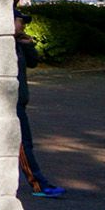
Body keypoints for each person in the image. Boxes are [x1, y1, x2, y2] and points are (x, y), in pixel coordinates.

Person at [15, 12, 63, 197]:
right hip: (11, 104)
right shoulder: (3, 46)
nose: (23, 26)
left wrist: (28, 45)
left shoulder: (18, 44)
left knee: (23, 143)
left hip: (19, 102)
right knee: (22, 144)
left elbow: (33, 63)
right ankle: (39, 184)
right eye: (21, 22)